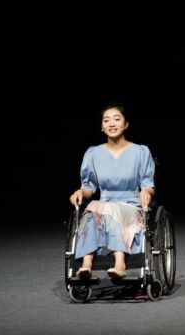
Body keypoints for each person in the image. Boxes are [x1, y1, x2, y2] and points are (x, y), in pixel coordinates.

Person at [69, 102, 156, 279]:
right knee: (91, 212)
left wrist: (146, 192)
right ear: (102, 126)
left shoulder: (140, 152)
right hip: (103, 207)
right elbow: (89, 186)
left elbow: (148, 184)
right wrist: (80, 192)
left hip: (132, 208)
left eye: (116, 119)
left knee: (109, 210)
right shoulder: (93, 153)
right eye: (106, 120)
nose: (111, 124)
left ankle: (119, 263)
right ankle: (86, 264)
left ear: (126, 124)